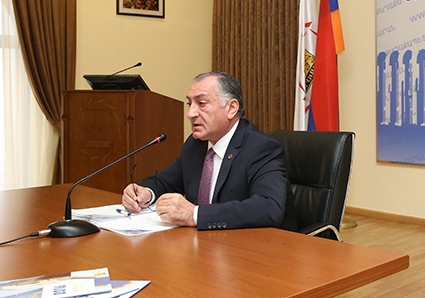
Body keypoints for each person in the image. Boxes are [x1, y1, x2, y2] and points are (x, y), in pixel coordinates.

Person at [122, 71, 298, 231]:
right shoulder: (196, 144)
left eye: (201, 103)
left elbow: (269, 207)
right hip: (207, 245)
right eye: (190, 104)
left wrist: (195, 215)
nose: (190, 113)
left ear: (231, 108)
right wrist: (145, 193)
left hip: (259, 248)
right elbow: (164, 182)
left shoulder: (261, 148)